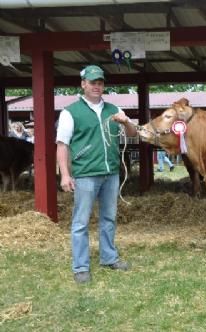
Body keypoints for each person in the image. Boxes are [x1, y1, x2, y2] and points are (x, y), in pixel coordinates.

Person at [56, 65, 137, 284]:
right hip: (85, 174)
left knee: (109, 217)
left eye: (100, 83)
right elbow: (62, 145)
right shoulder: (70, 112)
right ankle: (81, 266)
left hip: (111, 172)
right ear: (83, 84)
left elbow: (132, 133)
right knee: (81, 221)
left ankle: (109, 258)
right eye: (92, 83)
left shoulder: (114, 109)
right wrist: (65, 175)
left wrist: (126, 121)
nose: (97, 86)